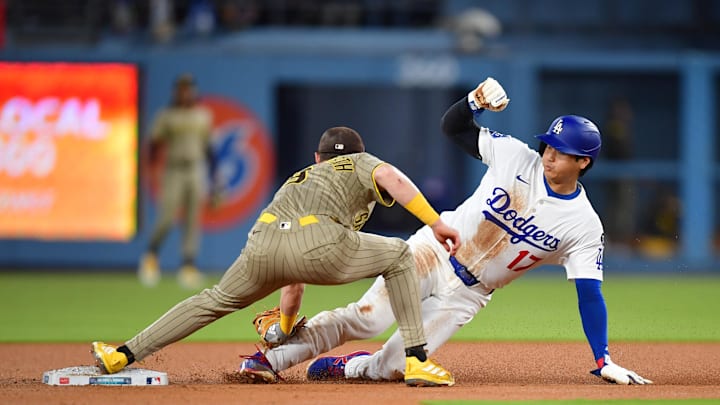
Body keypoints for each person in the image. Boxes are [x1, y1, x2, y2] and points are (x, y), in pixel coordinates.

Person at [236, 78, 653, 386]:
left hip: (469, 295)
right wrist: (474, 100)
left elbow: (589, 293)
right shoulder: (515, 157)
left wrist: (603, 359)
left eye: (562, 153)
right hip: (432, 252)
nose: (549, 155)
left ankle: (353, 367)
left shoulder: (583, 224)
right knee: (365, 319)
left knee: (395, 369)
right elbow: (453, 128)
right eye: (549, 145)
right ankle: (270, 360)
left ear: (584, 163)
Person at [91, 126, 462, 388]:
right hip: (321, 243)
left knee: (213, 301)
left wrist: (284, 327)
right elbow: (392, 178)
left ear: (317, 158)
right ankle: (417, 359)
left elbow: (293, 274)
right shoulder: (360, 162)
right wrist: (434, 223)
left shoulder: (302, 177)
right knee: (398, 254)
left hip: (262, 244)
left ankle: (121, 354)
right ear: (356, 153)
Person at [138, 73, 217, 290]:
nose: (185, 92)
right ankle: (151, 257)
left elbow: (209, 149)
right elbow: (154, 144)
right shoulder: (166, 115)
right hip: (173, 169)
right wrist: (151, 169)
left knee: (193, 220)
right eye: (181, 89)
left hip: (195, 168)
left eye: (188, 88)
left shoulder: (202, 115)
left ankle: (188, 266)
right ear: (176, 91)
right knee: (166, 217)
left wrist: (215, 177)